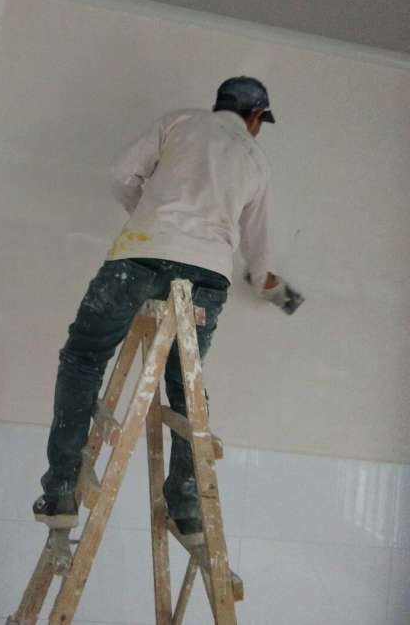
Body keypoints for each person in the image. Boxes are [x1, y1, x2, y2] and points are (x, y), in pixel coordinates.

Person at [33, 76, 302, 535]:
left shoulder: (180, 121)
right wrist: (276, 291)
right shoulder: (255, 158)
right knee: (185, 381)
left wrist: (150, 219)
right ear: (256, 117)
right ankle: (186, 506)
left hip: (139, 255)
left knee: (84, 358)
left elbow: (120, 174)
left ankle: (61, 489)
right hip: (208, 275)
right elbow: (258, 255)